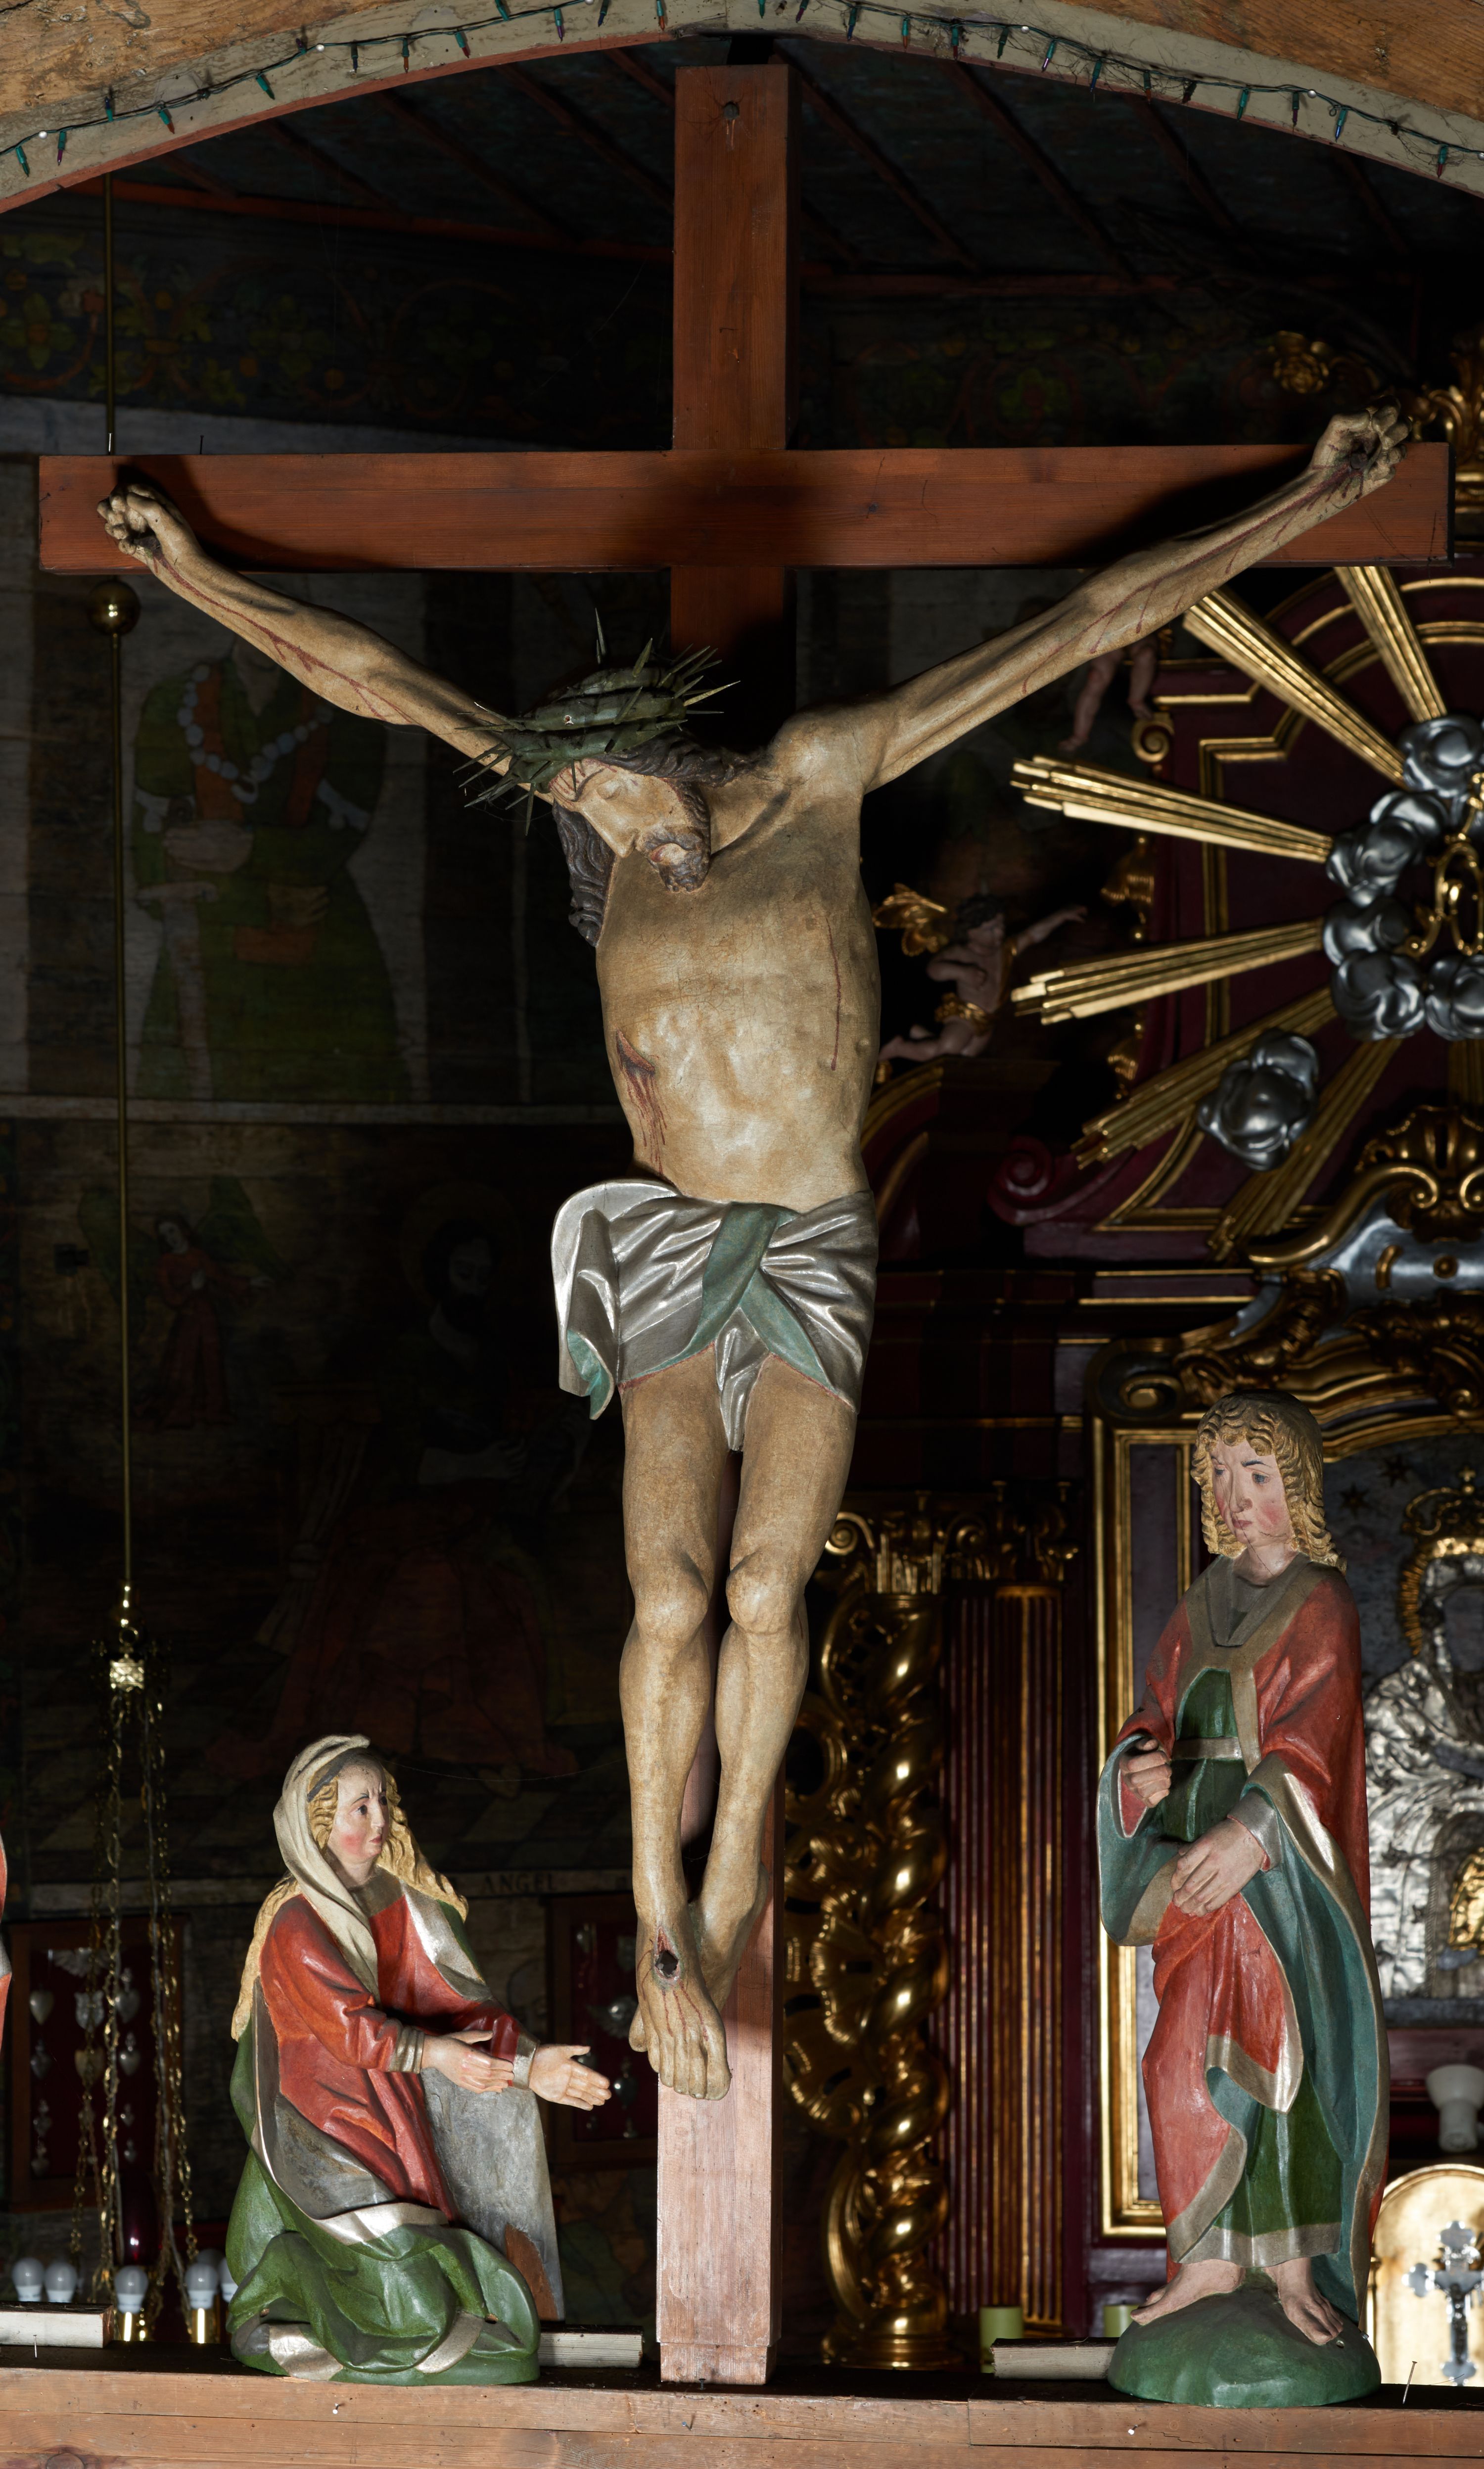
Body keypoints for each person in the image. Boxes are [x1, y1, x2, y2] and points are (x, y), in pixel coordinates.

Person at [99, 403, 1407, 2101]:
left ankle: (721, 1909)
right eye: (594, 809)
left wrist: (1310, 496)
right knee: (663, 1590)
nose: (621, 829)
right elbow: (375, 683)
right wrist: (190, 575)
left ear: (674, 747)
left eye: (629, 794)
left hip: (803, 1236)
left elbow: (1084, 620)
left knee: (765, 1586)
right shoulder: (594, 807)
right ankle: (657, 1906)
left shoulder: (822, 772)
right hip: (662, 1238)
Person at [1098, 1392, 1387, 2349]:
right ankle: (1208, 2260)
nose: (1233, 1495)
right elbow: (1154, 1714)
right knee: (1177, 2056)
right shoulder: (1202, 1602)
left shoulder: (1320, 1601)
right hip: (1194, 1859)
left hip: (1275, 1870)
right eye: (1218, 1475)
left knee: (1276, 2057)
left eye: (1255, 1474)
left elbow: (1314, 1744)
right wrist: (1137, 1768)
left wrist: (1250, 1834)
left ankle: (1291, 2270)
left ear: (1295, 1484)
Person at [226, 1734, 610, 2382]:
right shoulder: (297, 1921)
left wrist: (530, 2066)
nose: (381, 1820)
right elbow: (349, 2030)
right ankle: (282, 2283)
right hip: (321, 2126)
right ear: (318, 1824)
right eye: (360, 1807)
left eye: (384, 1801)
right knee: (414, 2301)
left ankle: (427, 2320)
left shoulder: (404, 1903)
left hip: (393, 2115)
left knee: (431, 2293)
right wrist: (436, 2055)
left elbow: (457, 2006)